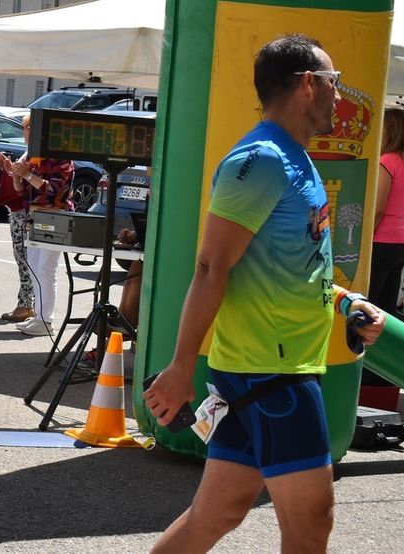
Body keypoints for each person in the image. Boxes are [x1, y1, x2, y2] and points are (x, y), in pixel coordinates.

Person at [144, 34, 384, 554]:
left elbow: (298, 265)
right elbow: (210, 266)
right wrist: (181, 367)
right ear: (308, 84)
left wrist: (347, 303)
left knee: (217, 514)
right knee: (311, 525)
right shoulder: (262, 160)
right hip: (273, 374)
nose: (340, 94)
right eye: (335, 82)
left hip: (271, 369)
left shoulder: (296, 158)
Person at [0, 115, 74, 336]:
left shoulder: (61, 158)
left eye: (26, 128)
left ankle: (46, 320)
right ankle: (39, 316)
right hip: (35, 216)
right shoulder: (32, 155)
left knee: (45, 269)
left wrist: (25, 174)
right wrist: (14, 173)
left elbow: (54, 190)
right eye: (24, 127)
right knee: (34, 267)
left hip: (54, 217)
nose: (24, 132)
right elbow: (21, 190)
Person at [370, 106, 404, 323]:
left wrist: (366, 237)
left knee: (369, 304)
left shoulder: (386, 161)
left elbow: (378, 208)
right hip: (402, 239)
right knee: (387, 309)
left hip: (382, 239)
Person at [0, 149, 35, 323]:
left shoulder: (35, 152)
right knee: (26, 261)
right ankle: (29, 306)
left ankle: (27, 306)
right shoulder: (31, 151)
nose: (24, 135)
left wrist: (12, 172)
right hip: (23, 212)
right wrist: (6, 167)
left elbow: (23, 185)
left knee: (26, 261)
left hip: (26, 212)